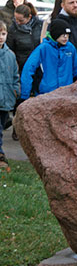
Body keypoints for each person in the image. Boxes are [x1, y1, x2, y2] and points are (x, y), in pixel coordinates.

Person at [20, 20, 77, 99]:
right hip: (46, 94)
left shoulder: (70, 48)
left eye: (67, 34)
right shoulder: (43, 48)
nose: (65, 37)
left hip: (66, 94)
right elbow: (28, 69)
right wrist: (25, 95)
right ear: (55, 34)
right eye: (62, 34)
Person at [0, 21, 20, 170]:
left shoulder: (10, 55)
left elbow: (15, 76)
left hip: (6, 98)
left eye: (3, 34)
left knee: (1, 126)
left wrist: (15, 91)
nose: (1, 37)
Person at [7, 3, 42, 71]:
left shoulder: (40, 25)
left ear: (29, 17)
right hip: (22, 66)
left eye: (21, 20)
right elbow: (10, 49)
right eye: (16, 19)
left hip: (39, 64)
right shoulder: (13, 29)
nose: (18, 22)